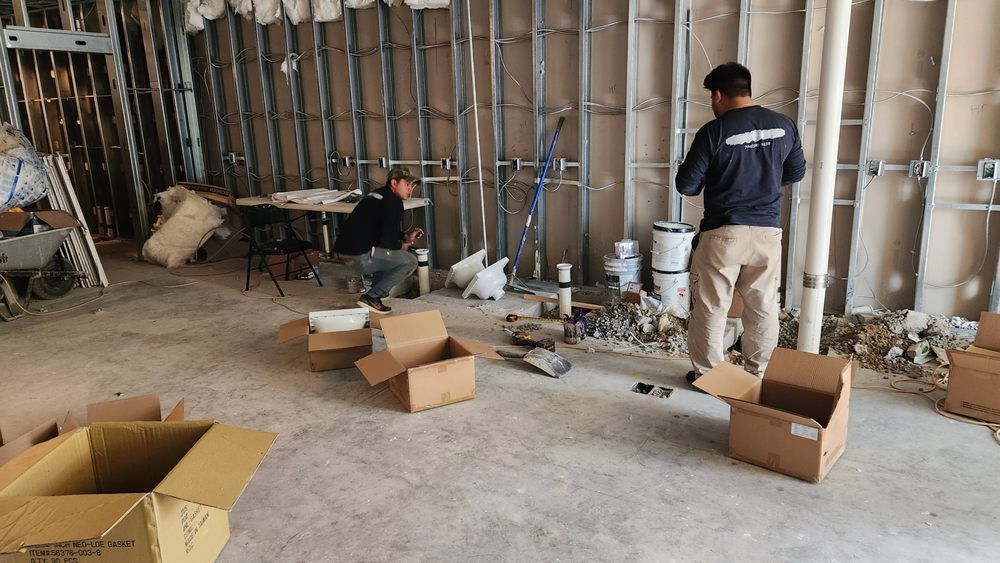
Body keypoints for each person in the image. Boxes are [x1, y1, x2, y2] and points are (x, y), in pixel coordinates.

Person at [674, 62, 806, 384]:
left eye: (711, 97)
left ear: (718, 95)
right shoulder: (784, 126)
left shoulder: (714, 132)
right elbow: (796, 172)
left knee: (712, 305)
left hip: (724, 233)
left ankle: (709, 377)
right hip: (767, 232)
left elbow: (686, 186)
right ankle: (758, 377)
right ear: (746, 89)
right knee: (762, 307)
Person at [333, 168, 424, 313]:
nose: (410, 188)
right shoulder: (393, 202)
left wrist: (405, 236)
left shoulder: (378, 195)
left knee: (385, 252)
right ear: (394, 183)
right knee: (409, 261)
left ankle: (379, 289)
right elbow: (388, 241)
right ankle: (372, 297)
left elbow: (381, 231)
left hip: (345, 253)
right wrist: (403, 245)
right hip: (360, 257)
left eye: (412, 185)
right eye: (407, 184)